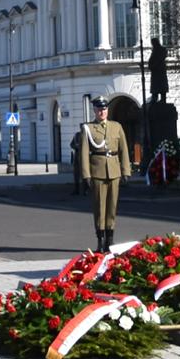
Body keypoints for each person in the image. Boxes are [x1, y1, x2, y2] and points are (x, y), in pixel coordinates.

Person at [70, 97, 131, 253]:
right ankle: (100, 239)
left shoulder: (116, 127)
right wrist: (86, 175)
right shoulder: (88, 129)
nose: (102, 112)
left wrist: (126, 170)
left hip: (114, 171)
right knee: (99, 207)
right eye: (99, 109)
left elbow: (124, 150)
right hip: (97, 172)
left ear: (107, 110)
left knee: (112, 207)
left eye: (104, 109)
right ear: (95, 111)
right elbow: (84, 153)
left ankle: (110, 239)